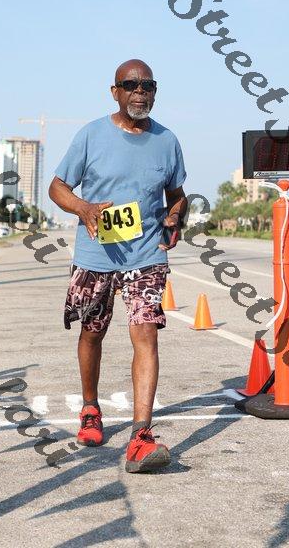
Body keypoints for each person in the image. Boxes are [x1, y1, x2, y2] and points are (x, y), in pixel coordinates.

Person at [49, 59, 187, 473]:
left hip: (147, 255)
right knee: (93, 332)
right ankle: (91, 409)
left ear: (155, 92)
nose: (140, 91)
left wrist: (176, 216)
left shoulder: (167, 141)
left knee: (146, 333)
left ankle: (141, 436)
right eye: (131, 84)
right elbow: (57, 187)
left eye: (148, 85)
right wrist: (84, 208)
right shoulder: (91, 135)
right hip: (97, 255)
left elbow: (178, 194)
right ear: (115, 92)